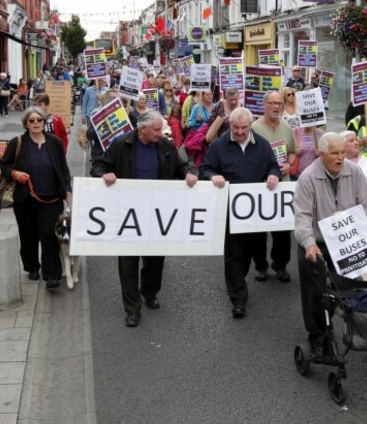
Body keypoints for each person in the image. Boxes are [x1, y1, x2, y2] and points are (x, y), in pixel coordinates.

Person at [90, 110, 197, 327]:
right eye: (157, 130)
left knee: (155, 259)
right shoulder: (121, 144)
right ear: (143, 128)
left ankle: (149, 292)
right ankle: (132, 308)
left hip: (157, 214)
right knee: (128, 262)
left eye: (161, 129)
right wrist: (104, 174)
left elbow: (181, 165)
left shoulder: (166, 146)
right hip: (128, 214)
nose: (161, 133)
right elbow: (99, 165)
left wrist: (189, 172)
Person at [293, 132, 367, 354]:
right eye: (334, 153)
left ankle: (366, 332)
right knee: (315, 293)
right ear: (321, 154)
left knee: (361, 287)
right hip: (318, 243)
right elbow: (302, 218)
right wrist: (308, 244)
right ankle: (318, 336)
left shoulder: (354, 173)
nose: (340, 157)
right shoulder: (308, 178)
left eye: (343, 153)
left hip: (348, 240)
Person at [199, 107, 281, 319]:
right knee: (234, 254)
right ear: (230, 125)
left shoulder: (262, 144)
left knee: (250, 251)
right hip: (230, 211)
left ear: (250, 125)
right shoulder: (219, 145)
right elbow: (205, 169)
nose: (240, 131)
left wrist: (273, 175)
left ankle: (239, 279)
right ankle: (238, 299)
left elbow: (274, 166)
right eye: (236, 127)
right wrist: (212, 176)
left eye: (244, 127)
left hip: (255, 211)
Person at [0, 107, 71, 288]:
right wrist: (14, 173)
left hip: (52, 199)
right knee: (28, 235)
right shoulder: (18, 142)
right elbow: (4, 165)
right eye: (31, 120)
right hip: (25, 199)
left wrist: (67, 191)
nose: (36, 123)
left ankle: (52, 275)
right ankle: (32, 266)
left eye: (39, 119)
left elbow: (63, 168)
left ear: (44, 121)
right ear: (26, 123)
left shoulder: (54, 142)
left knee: (49, 235)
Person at [251, 91, 297, 282]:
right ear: (264, 105)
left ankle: (280, 265)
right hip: (260, 186)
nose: (277, 107)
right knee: (259, 232)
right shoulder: (254, 127)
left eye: (279, 103)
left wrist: (289, 164)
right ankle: (261, 266)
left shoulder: (287, 128)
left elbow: (293, 152)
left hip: (282, 187)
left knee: (283, 232)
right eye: (272, 103)